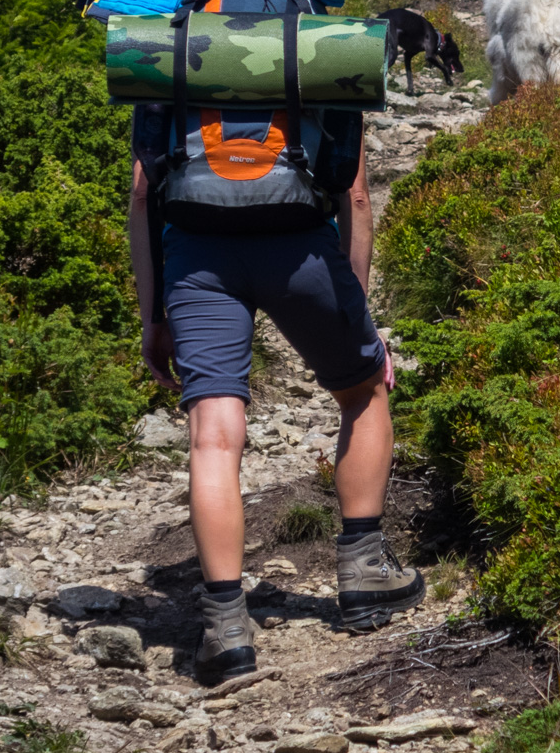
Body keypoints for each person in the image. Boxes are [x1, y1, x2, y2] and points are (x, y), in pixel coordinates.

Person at [129, 105, 424, 683]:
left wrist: (152, 316)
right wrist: (354, 309)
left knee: (213, 436)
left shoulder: (174, 55)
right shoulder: (315, 48)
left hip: (197, 254)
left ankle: (226, 628)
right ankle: (365, 572)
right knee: (363, 393)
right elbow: (357, 196)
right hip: (302, 249)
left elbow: (142, 196)